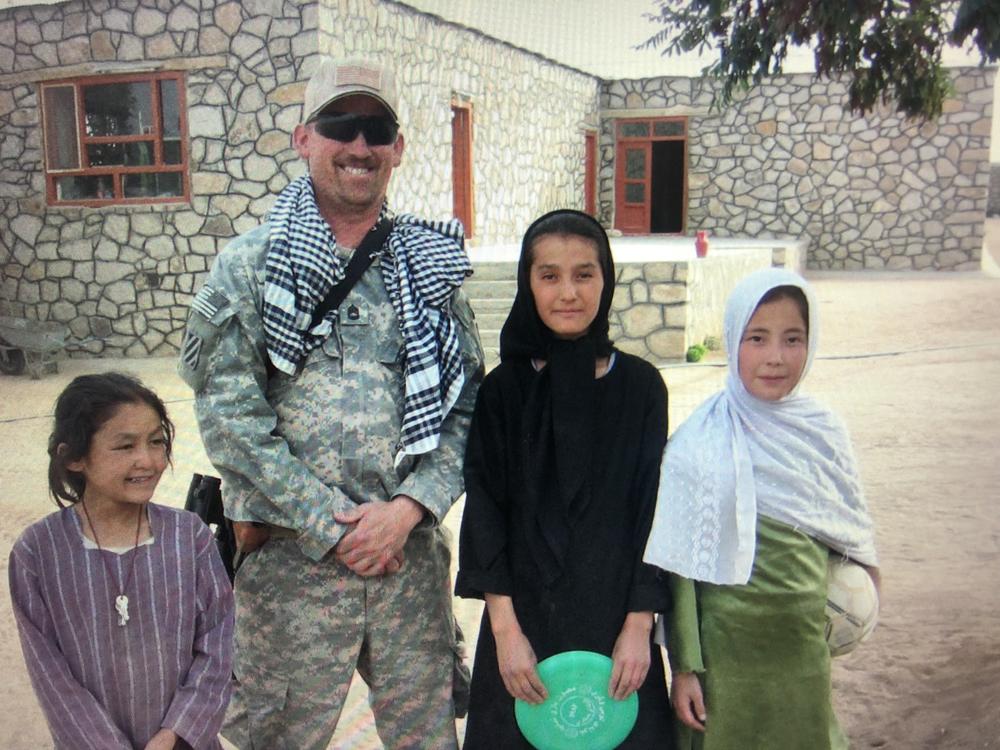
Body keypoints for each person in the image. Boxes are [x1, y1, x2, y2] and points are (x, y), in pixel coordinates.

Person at [177, 56, 484, 750]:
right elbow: (230, 420)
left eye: (377, 128)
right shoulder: (251, 267)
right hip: (293, 575)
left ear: (398, 147)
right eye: (340, 125)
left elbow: (468, 408)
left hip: (406, 567)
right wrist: (334, 523)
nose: (359, 146)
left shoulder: (430, 267)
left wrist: (408, 510)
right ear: (303, 138)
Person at [456, 209, 675, 747]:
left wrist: (638, 628)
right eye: (549, 275)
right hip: (523, 626)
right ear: (527, 283)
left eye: (584, 273)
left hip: (616, 624)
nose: (568, 292)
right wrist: (506, 634)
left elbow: (654, 511)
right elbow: (485, 513)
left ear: (607, 279)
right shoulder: (502, 392)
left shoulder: (642, 389)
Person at [643, 268, 881, 749]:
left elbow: (848, 532)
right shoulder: (700, 442)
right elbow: (681, 570)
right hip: (724, 661)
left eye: (793, 339)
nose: (775, 357)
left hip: (800, 651)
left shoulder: (823, 433)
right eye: (757, 338)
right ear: (733, 342)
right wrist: (685, 666)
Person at [8, 372, 234, 750]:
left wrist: (177, 733)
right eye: (125, 446)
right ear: (75, 457)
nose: (146, 460)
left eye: (156, 442)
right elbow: (51, 676)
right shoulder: (38, 553)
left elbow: (219, 641)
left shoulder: (189, 537)